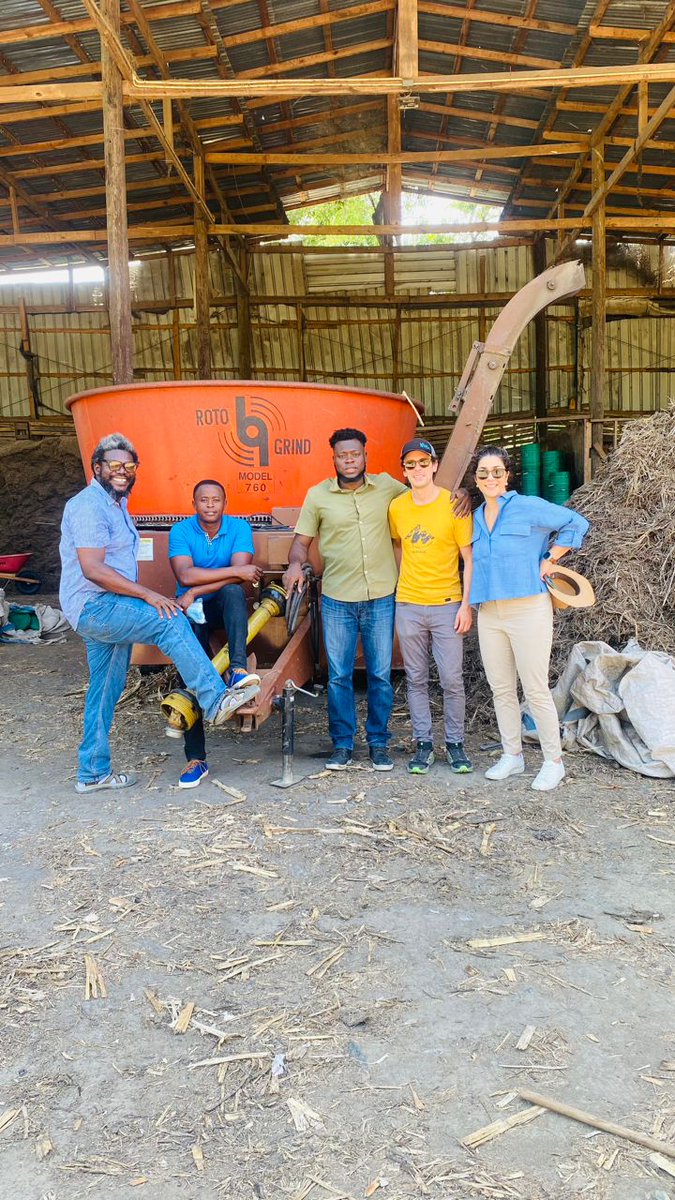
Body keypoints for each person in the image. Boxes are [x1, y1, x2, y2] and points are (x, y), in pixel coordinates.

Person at [283, 428, 470, 772]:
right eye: (343, 455)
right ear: (334, 459)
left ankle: (378, 743)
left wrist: (460, 493)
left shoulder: (388, 487)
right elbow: (301, 541)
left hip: (382, 597)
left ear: (366, 456)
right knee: (339, 675)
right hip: (338, 598)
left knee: (380, 675)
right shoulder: (318, 495)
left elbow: (425, 490)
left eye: (355, 454)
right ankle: (342, 745)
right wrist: (295, 564)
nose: (349, 460)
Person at [59, 434, 236, 795]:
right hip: (98, 605)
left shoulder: (117, 504)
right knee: (168, 618)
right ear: (97, 468)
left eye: (129, 466)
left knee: (105, 690)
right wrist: (148, 595)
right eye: (114, 465)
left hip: (106, 608)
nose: (122, 471)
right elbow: (93, 569)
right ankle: (214, 698)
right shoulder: (89, 506)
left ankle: (92, 773)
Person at [469, 445, 590, 792]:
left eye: (496, 472)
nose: (490, 478)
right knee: (501, 687)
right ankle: (513, 755)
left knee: (535, 688)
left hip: (528, 608)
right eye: (483, 473)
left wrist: (550, 558)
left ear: (507, 476)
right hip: (490, 611)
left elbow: (576, 522)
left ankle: (554, 762)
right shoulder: (477, 516)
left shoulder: (527, 507)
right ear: (476, 479)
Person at [168, 479, 262, 788]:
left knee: (234, 594)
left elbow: (241, 579)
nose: (210, 505)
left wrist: (194, 589)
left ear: (225, 503)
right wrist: (197, 588)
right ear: (193, 504)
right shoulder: (181, 531)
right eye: (203, 500)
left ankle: (236, 669)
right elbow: (184, 573)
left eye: (216, 500)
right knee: (190, 676)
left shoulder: (239, 528)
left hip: (222, 605)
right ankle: (196, 758)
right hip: (191, 609)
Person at [388, 438, 474, 775]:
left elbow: (469, 557)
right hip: (408, 603)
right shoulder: (397, 507)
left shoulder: (454, 505)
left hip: (446, 604)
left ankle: (455, 744)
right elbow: (398, 545)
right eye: (411, 465)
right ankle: (423, 743)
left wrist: (466, 605)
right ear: (404, 471)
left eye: (424, 463)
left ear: (435, 466)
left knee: (452, 679)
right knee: (416, 678)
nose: (418, 469)